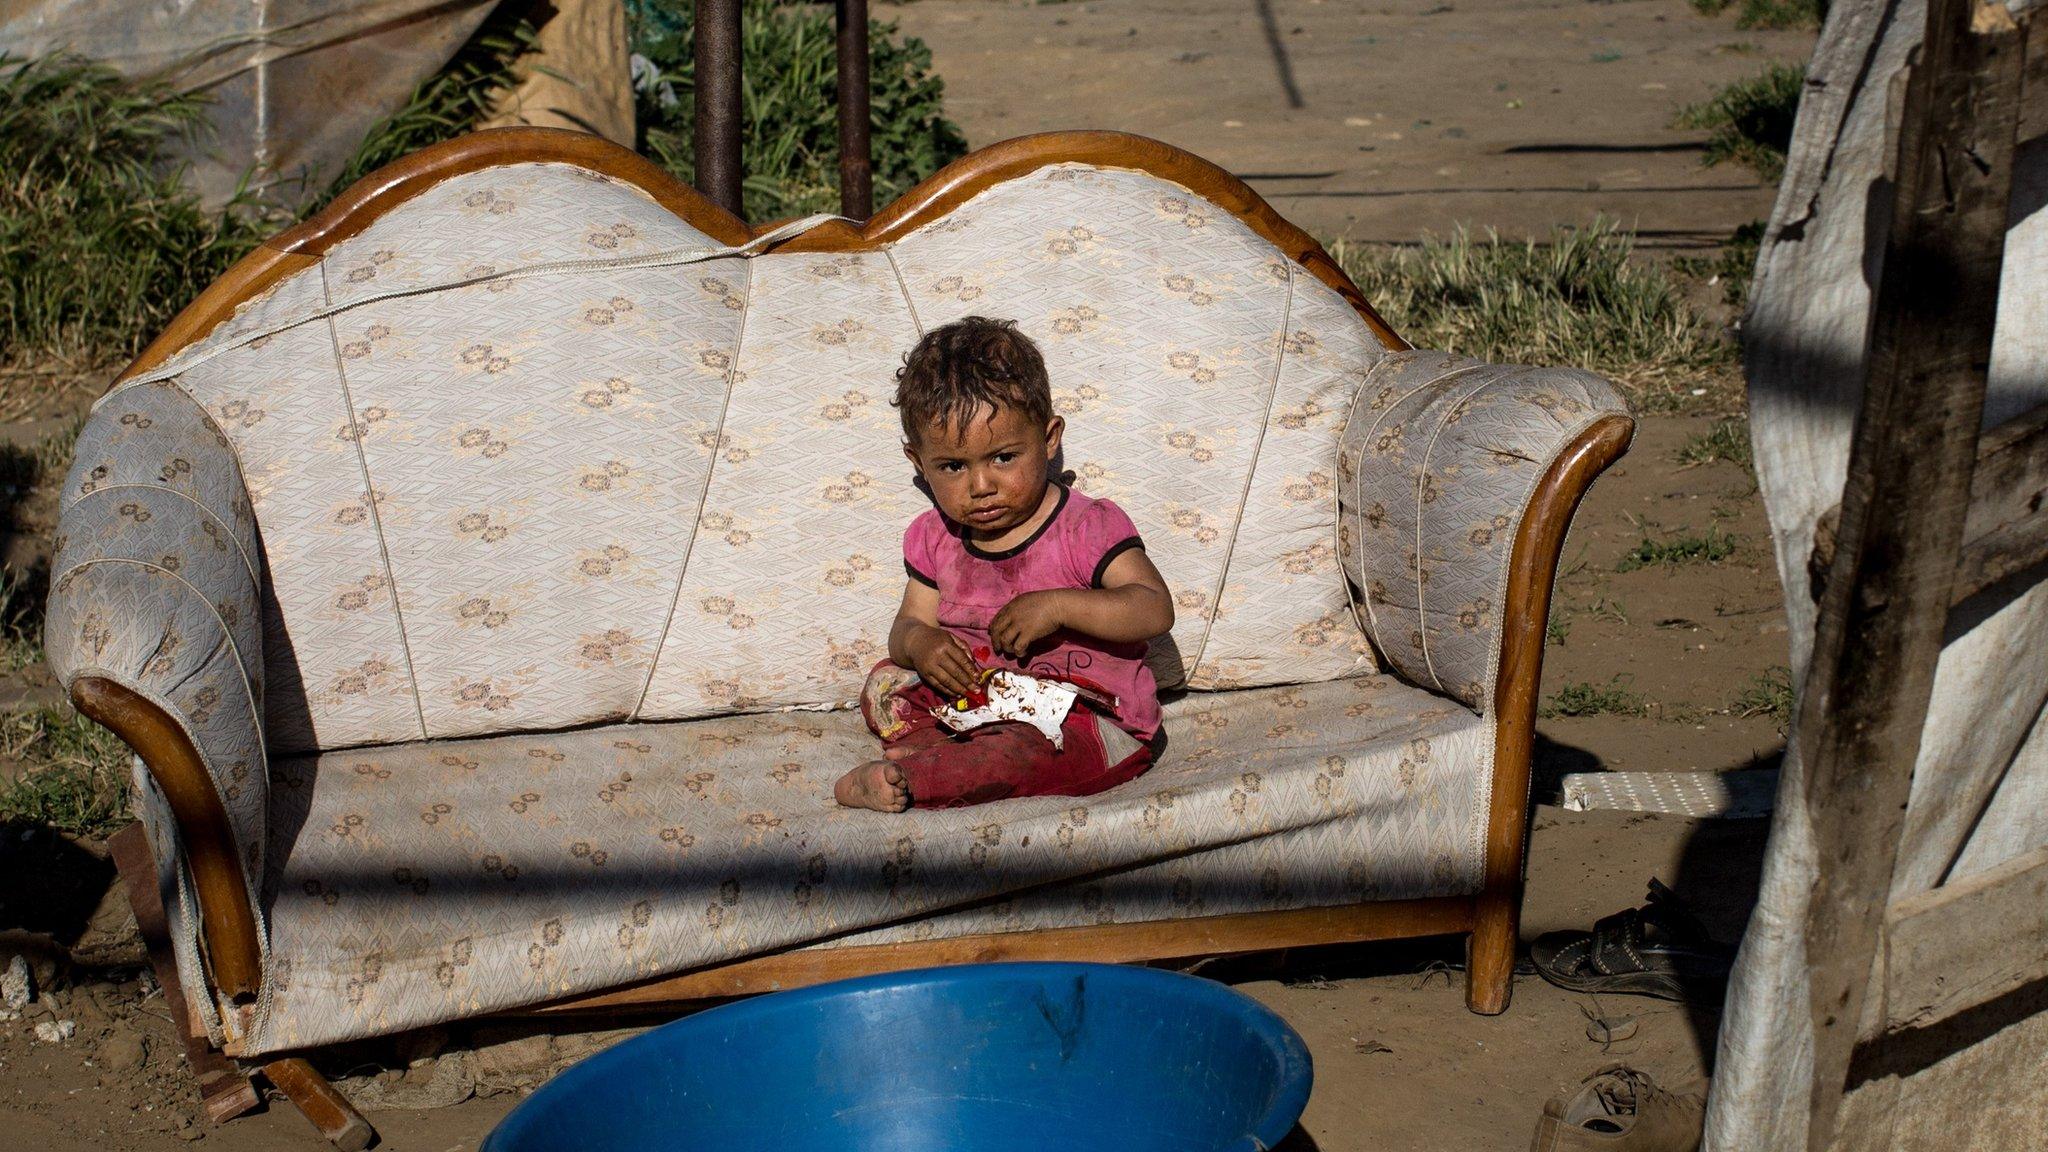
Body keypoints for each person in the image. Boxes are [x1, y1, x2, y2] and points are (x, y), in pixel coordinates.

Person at [833, 317, 1174, 811]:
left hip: (1078, 717)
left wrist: (1059, 607)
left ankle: (920, 776)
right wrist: (921, 643)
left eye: (1003, 458)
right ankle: (935, 754)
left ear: (1049, 437)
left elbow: (1152, 608)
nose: (980, 486)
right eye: (953, 466)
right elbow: (908, 624)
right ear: (918, 463)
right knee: (887, 682)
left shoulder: (1086, 527)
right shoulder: (934, 537)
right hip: (973, 699)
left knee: (1023, 756)